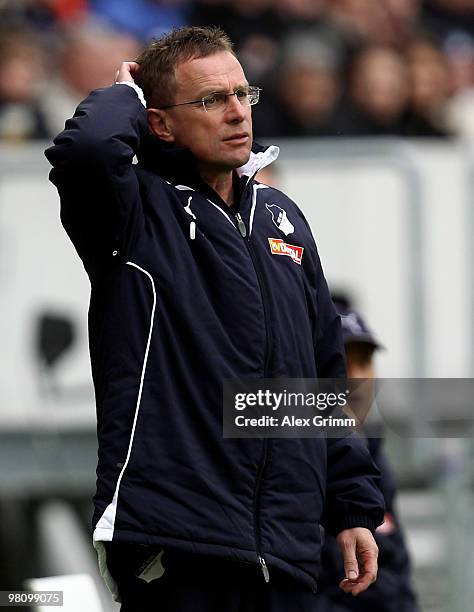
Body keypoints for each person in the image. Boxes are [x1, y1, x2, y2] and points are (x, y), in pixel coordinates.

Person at [45, 26, 384, 612]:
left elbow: (324, 374)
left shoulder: (283, 216)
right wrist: (123, 94)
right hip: (178, 543)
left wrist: (351, 503)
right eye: (209, 100)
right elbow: (89, 150)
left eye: (242, 95)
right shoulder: (132, 213)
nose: (235, 113)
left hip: (285, 550)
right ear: (160, 123)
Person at [314, 297, 419, 612]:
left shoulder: (375, 459)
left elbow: (398, 572)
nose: (357, 378)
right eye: (344, 362)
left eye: (364, 361)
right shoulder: (299, 460)